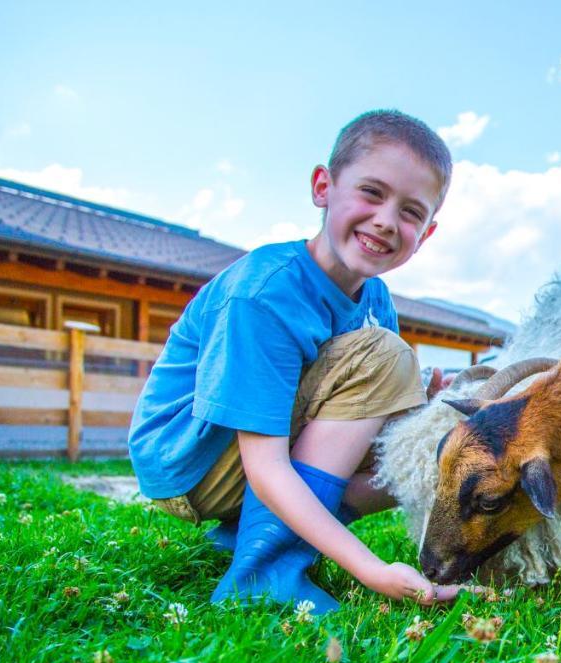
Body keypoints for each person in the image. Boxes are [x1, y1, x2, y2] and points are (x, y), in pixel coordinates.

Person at [129, 109, 468, 614]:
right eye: (371, 192)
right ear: (322, 186)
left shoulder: (376, 299)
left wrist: (425, 409)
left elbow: (365, 422)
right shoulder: (264, 293)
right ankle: (265, 577)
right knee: (384, 357)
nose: (385, 220)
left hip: (252, 455)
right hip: (192, 461)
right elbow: (266, 466)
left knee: (425, 451)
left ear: (427, 233)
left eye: (410, 212)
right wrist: (371, 570)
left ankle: (243, 535)